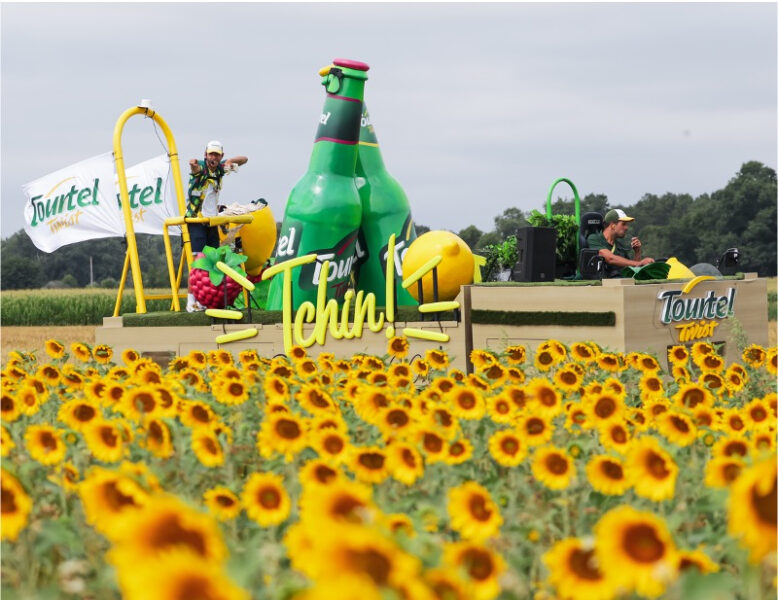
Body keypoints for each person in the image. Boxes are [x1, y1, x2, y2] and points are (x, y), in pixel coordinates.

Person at [185, 140, 248, 311]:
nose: (213, 157)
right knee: (198, 261)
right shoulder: (201, 167)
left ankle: (208, 299)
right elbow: (194, 166)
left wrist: (228, 163)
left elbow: (245, 159)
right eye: (210, 154)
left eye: (216, 154)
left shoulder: (220, 169)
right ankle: (191, 302)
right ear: (205, 155)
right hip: (197, 220)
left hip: (212, 221)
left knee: (213, 262)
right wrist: (194, 165)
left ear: (221, 156)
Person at [587, 209, 654, 277]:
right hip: (595, 285)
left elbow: (632, 272)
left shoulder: (620, 247)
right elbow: (610, 259)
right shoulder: (594, 239)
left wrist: (637, 251)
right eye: (623, 224)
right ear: (613, 225)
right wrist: (639, 263)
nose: (626, 227)